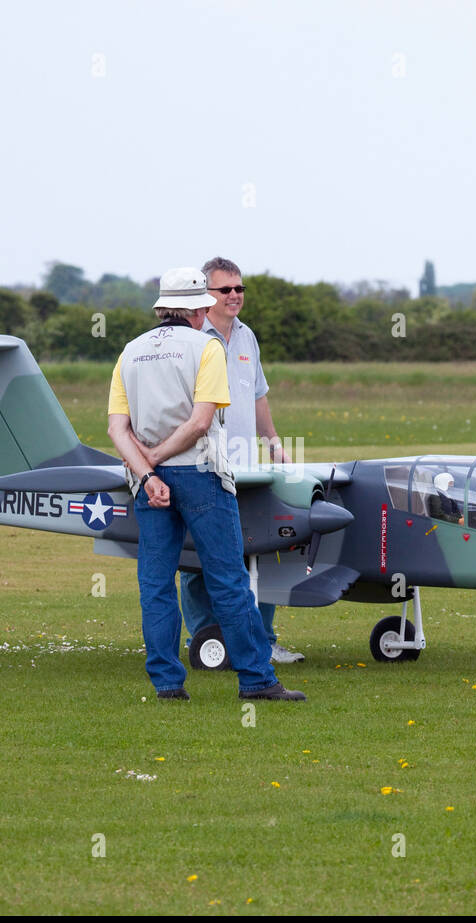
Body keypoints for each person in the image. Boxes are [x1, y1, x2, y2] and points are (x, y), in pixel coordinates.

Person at [107, 265, 305, 702]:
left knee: (155, 583)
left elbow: (117, 430)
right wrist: (159, 460)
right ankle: (256, 679)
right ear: (198, 310)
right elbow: (200, 422)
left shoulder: (130, 351)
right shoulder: (207, 347)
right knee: (228, 578)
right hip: (200, 474)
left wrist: (147, 472)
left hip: (147, 484)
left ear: (163, 308)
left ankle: (167, 684)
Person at [178, 256, 304, 664]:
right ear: (205, 295)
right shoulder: (192, 337)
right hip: (199, 462)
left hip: (248, 468)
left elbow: (257, 395)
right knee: (196, 556)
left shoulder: (247, 337)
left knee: (263, 550)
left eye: (239, 289)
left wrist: (273, 443)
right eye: (225, 289)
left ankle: (263, 639)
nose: (234, 296)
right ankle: (207, 639)